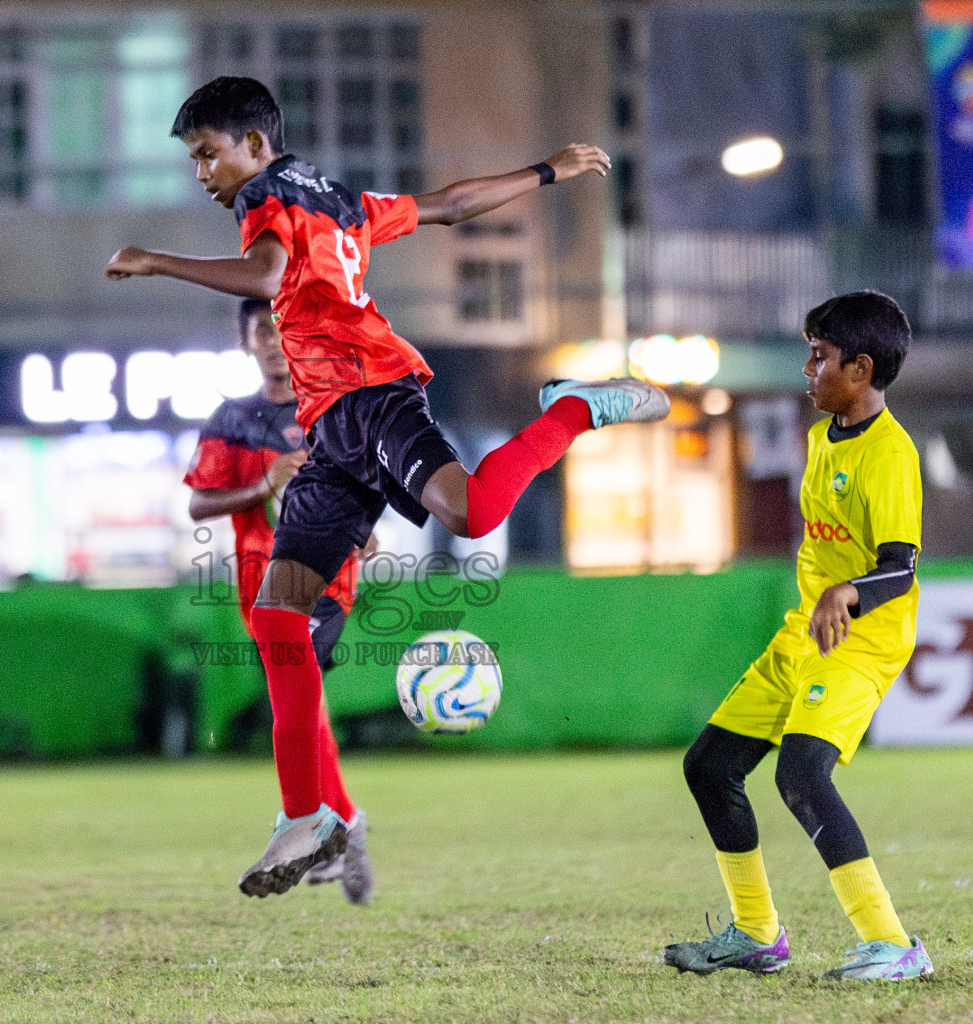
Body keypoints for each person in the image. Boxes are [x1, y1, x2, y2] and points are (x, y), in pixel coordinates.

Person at [106, 76, 667, 898]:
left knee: (471, 515)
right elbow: (446, 204)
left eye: (206, 154)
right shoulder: (336, 198)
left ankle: (573, 411)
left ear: (255, 146)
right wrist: (542, 172)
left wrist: (156, 261)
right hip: (332, 432)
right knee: (275, 617)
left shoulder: (265, 200)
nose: (202, 173)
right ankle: (309, 818)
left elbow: (265, 277)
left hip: (371, 395)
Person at [661, 291, 932, 981]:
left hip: (861, 640)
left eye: (819, 357)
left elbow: (897, 568)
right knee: (709, 767)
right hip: (805, 633)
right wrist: (824, 596)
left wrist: (849, 592)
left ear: (861, 370)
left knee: (800, 774)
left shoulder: (890, 455)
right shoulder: (819, 439)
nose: (806, 369)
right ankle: (756, 933)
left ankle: (893, 945)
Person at [183, 296, 372, 903]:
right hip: (258, 589)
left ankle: (315, 825)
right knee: (302, 704)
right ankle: (342, 821)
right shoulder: (232, 420)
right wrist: (264, 484)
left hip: (322, 580)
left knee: (298, 692)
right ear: (245, 344)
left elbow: (365, 487)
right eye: (259, 331)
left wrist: (364, 532)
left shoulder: (331, 411)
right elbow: (199, 504)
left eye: (278, 327)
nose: (269, 339)